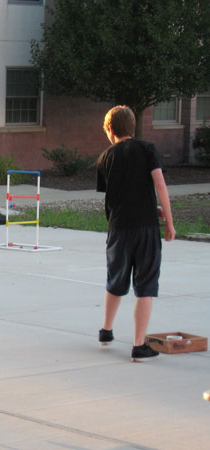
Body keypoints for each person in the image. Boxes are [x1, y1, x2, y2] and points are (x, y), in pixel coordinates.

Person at [96, 105, 175, 362]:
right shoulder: (148, 149)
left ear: (110, 129)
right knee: (145, 285)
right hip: (146, 228)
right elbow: (159, 184)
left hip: (119, 228)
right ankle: (139, 346)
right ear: (132, 127)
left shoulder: (105, 157)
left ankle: (106, 331)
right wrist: (169, 221)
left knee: (115, 279)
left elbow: (118, 195)